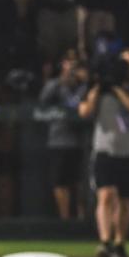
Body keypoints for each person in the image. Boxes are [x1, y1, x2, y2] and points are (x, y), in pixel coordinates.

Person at [78, 49, 129, 257]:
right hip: (105, 150)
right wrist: (99, 87)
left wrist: (118, 89)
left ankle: (120, 242)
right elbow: (84, 111)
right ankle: (104, 241)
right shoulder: (100, 89)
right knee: (105, 195)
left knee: (125, 200)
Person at [38, 54, 88, 221]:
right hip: (58, 140)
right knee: (60, 182)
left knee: (80, 182)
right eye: (68, 63)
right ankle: (64, 219)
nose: (71, 67)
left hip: (80, 141)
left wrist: (85, 80)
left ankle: (81, 218)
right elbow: (43, 100)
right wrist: (62, 79)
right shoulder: (56, 84)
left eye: (75, 64)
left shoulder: (83, 85)